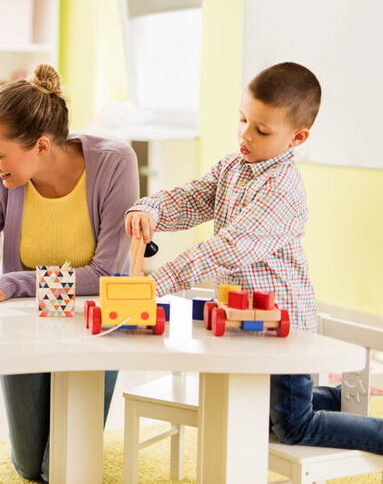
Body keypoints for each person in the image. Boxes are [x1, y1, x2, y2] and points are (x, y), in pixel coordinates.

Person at [125, 61, 383, 453]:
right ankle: (337, 399)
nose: (245, 135)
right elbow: (193, 198)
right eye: (243, 119)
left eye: (261, 130)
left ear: (297, 138)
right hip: (245, 322)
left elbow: (230, 247)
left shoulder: (281, 188)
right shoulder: (234, 166)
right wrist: (150, 209)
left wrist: (156, 284)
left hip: (284, 329)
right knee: (259, 415)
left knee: (293, 427)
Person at [0, 64, 138, 481]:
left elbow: (107, 273)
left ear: (40, 146)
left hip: (92, 326)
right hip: (26, 326)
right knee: (27, 466)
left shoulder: (113, 162)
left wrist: (11, 282)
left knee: (64, 466)